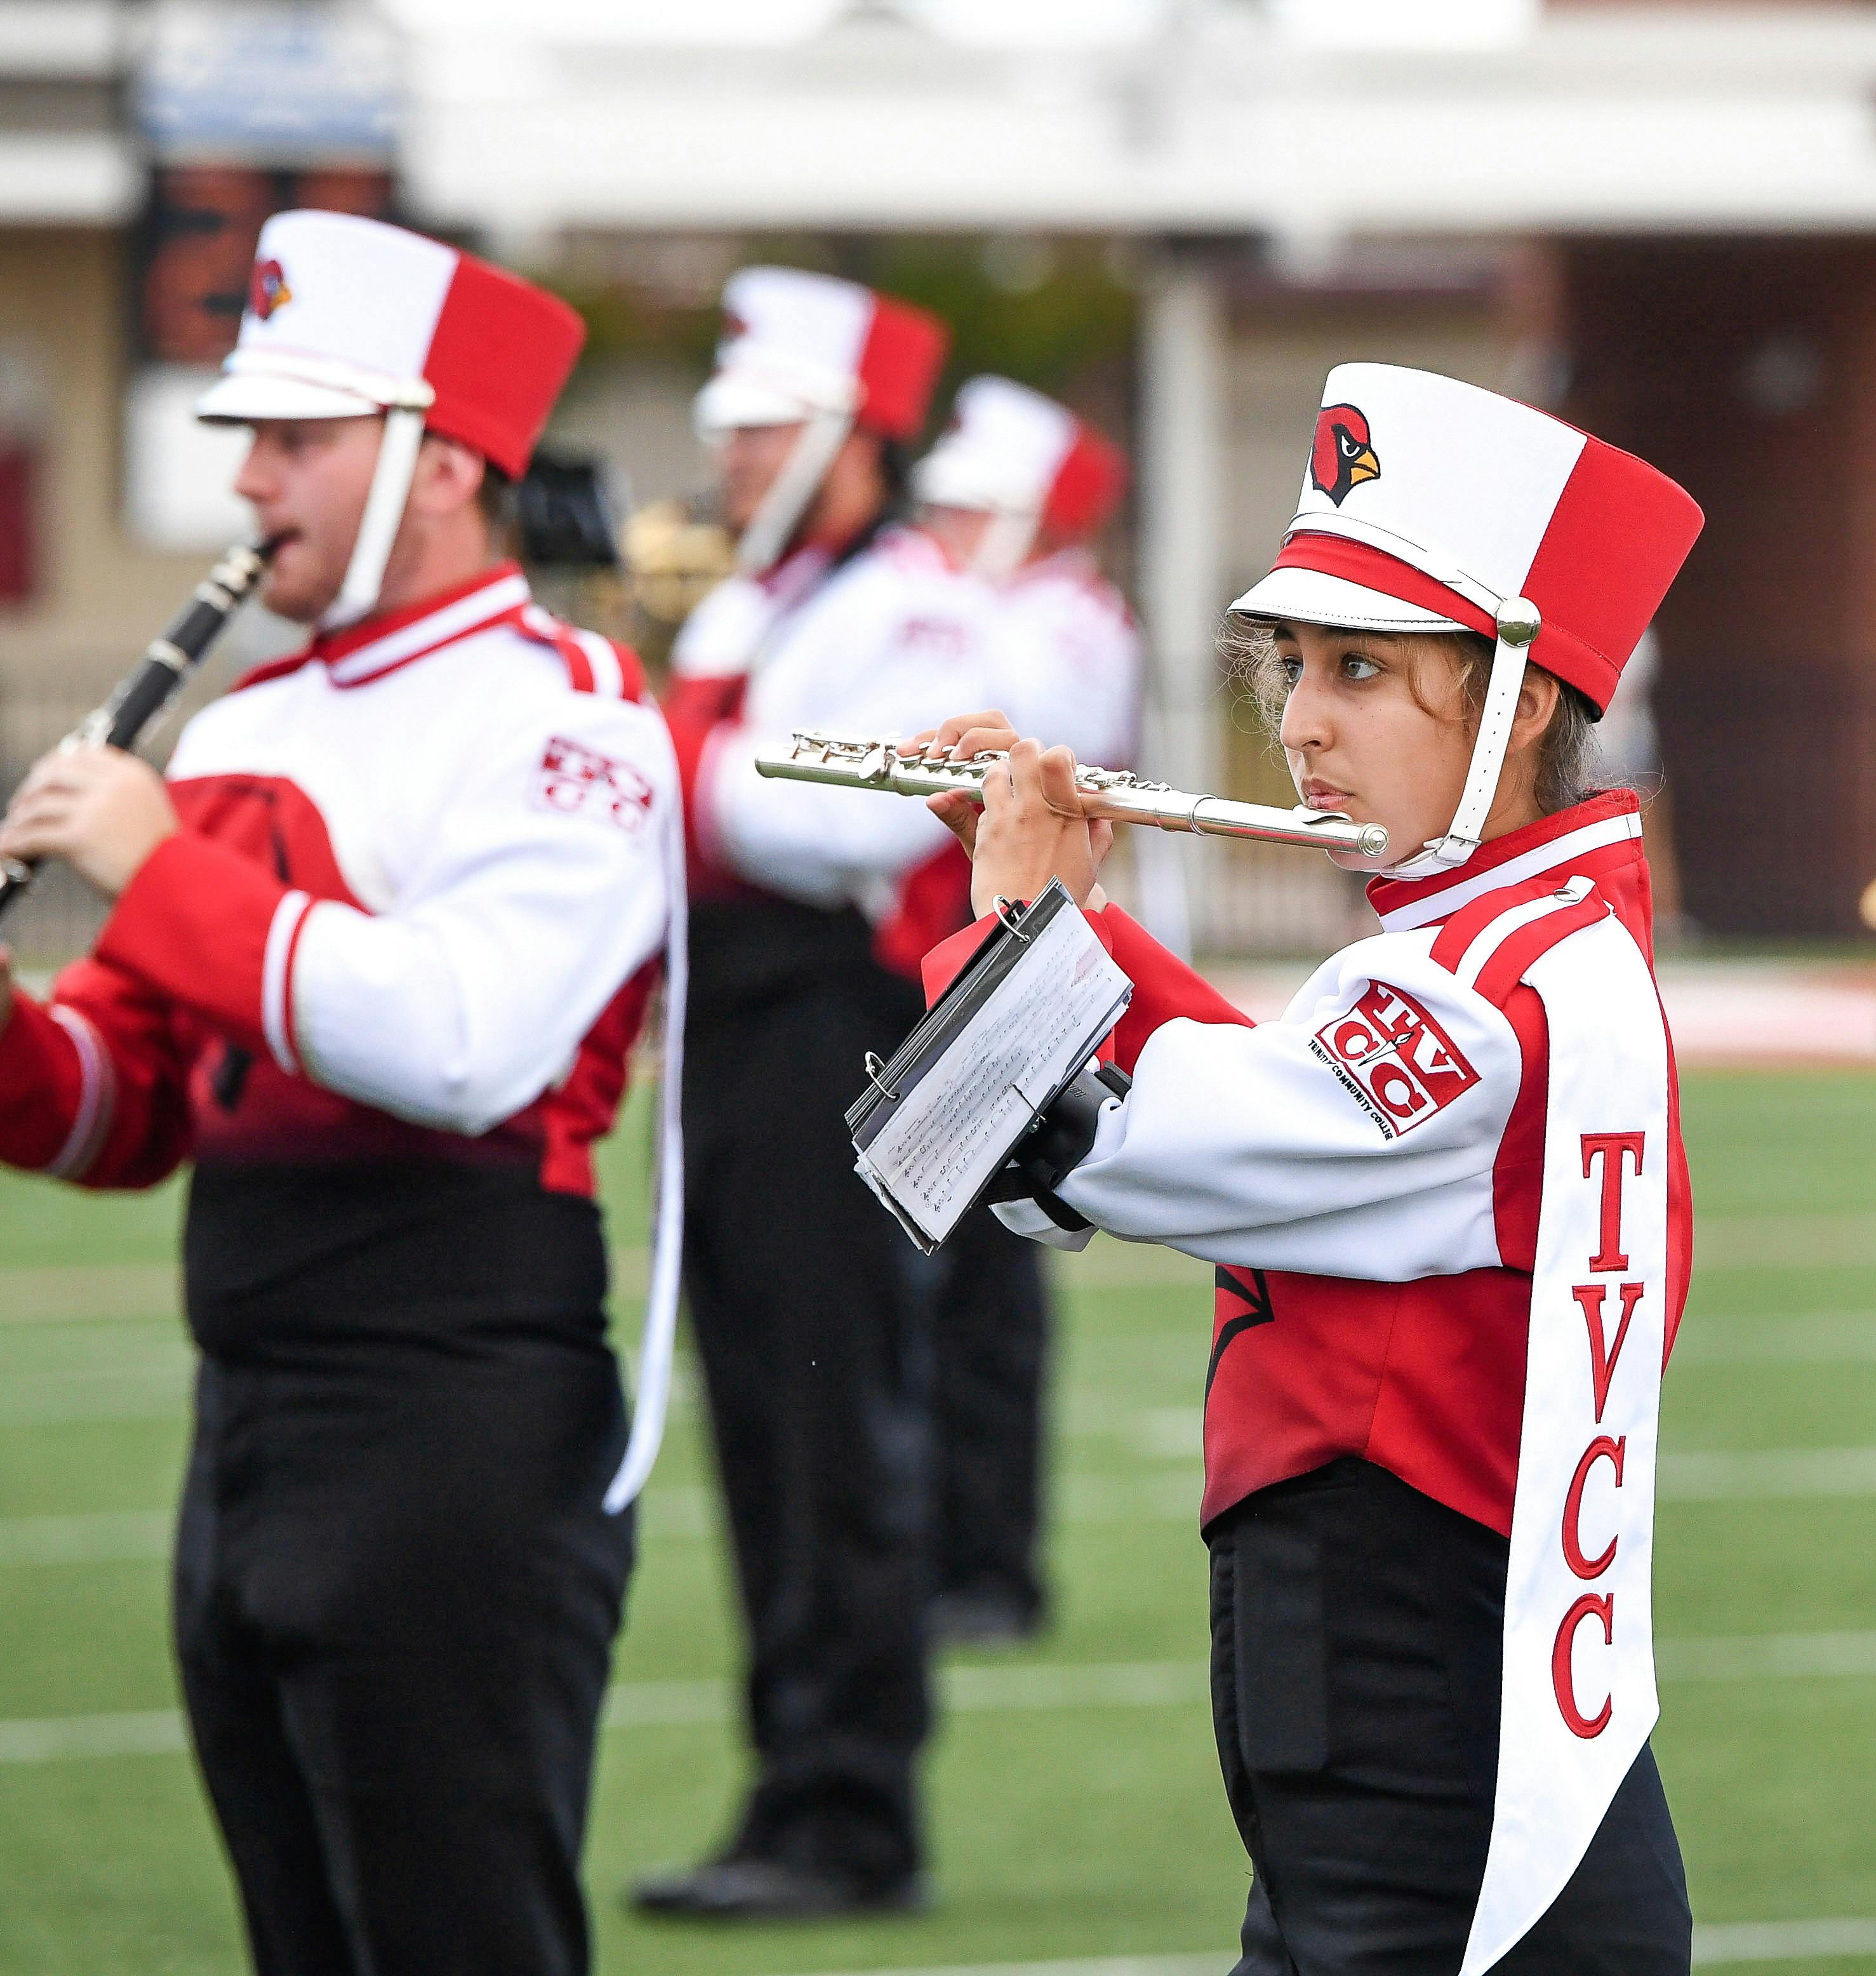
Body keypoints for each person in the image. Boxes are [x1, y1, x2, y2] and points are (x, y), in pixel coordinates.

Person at [0, 208, 681, 1976]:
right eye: (247, 438)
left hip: (455, 1409)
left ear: (447, 459)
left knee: (458, 1939)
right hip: (248, 1408)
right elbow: (140, 1101)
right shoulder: (245, 724)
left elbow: (466, 1041)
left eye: (295, 440)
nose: (247, 486)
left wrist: (157, 872)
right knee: (299, 1939)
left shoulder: (573, 717)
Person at [910, 363, 1705, 1973]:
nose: (1297, 722)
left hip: (1404, 1650)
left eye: (1360, 670)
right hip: (1409, 1647)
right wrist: (1081, 934)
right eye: (1289, 664)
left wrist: (1014, 934)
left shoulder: (1477, 987)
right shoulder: (1505, 946)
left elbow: (1112, 1152)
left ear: (1520, 700)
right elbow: (1298, 1132)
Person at [636, 267, 966, 1922]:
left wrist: (667, 766)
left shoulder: (907, 607)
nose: (737, 459)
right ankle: (792, 1789)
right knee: (764, 1421)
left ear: (851, 439)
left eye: (766, 427)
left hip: (833, 1031)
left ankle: (851, 1812)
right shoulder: (757, 606)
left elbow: (855, 822)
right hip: (736, 1033)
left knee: (835, 1422)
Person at [886, 375, 1141, 1643]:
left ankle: (990, 1562)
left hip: (1010, 970)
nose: (933, 529)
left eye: (963, 509)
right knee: (915, 1279)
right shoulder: (965, 607)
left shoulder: (1071, 618)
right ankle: (928, 1544)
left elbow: (1046, 748)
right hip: (928, 962)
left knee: (986, 1278)